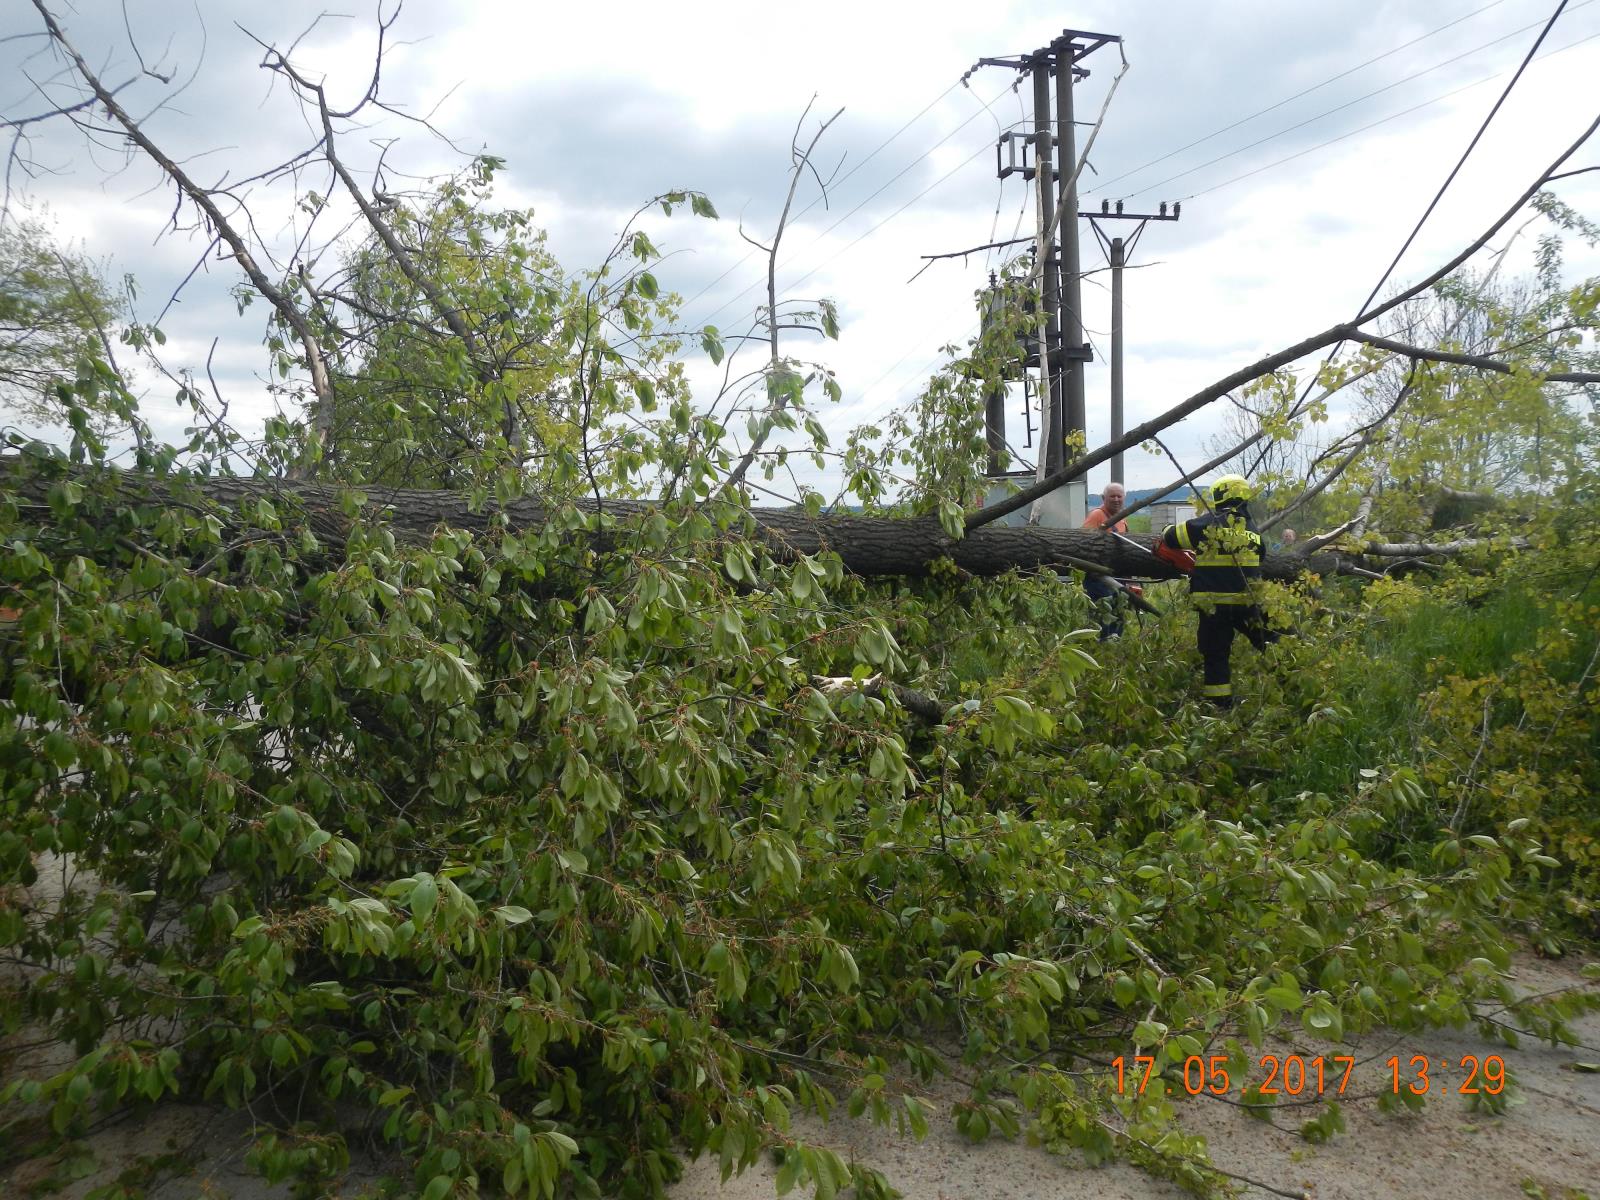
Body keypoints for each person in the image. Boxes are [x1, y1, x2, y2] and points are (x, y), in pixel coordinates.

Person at [1160, 474, 1275, 709]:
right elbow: (1262, 555)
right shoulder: (1252, 529)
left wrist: (1166, 529)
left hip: (1213, 605)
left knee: (1216, 653)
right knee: (1269, 642)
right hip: (1247, 603)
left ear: (1219, 495)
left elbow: (1171, 537)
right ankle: (1293, 683)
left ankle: (1219, 704)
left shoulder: (1209, 523)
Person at [1082, 482, 1130, 640]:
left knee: (1119, 613)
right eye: (1112, 496)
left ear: (1124, 498)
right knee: (1104, 616)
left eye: (1119, 496)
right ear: (1104, 498)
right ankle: (1101, 648)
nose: (1116, 499)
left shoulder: (1122, 519)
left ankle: (1115, 649)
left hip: (1117, 575)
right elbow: (1083, 542)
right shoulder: (1097, 515)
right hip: (1099, 577)